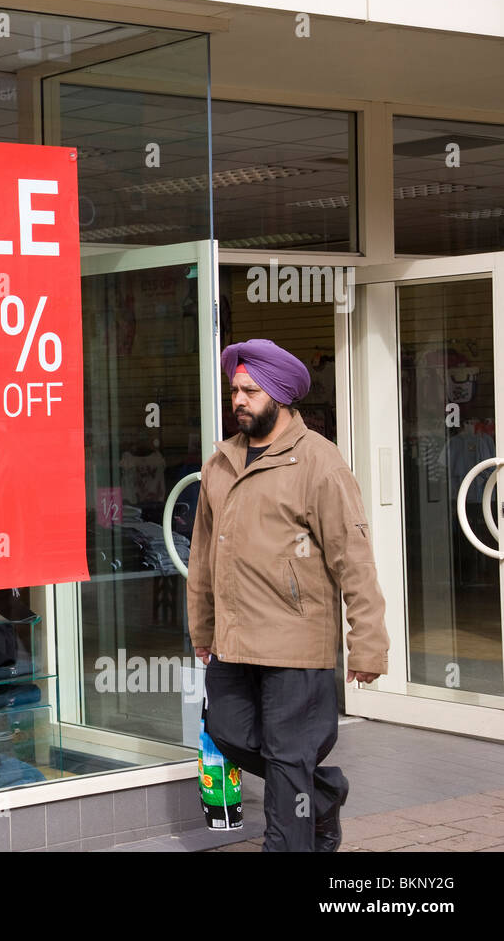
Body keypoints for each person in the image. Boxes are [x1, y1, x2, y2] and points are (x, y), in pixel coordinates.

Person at [187, 338, 388, 852]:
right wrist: (203, 631)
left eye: (251, 391)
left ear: (279, 395)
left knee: (286, 756)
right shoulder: (221, 462)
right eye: (235, 389)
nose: (239, 400)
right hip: (234, 641)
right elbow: (203, 558)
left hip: (296, 642)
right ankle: (319, 797)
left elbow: (354, 558)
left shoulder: (319, 461)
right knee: (228, 731)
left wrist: (367, 643)